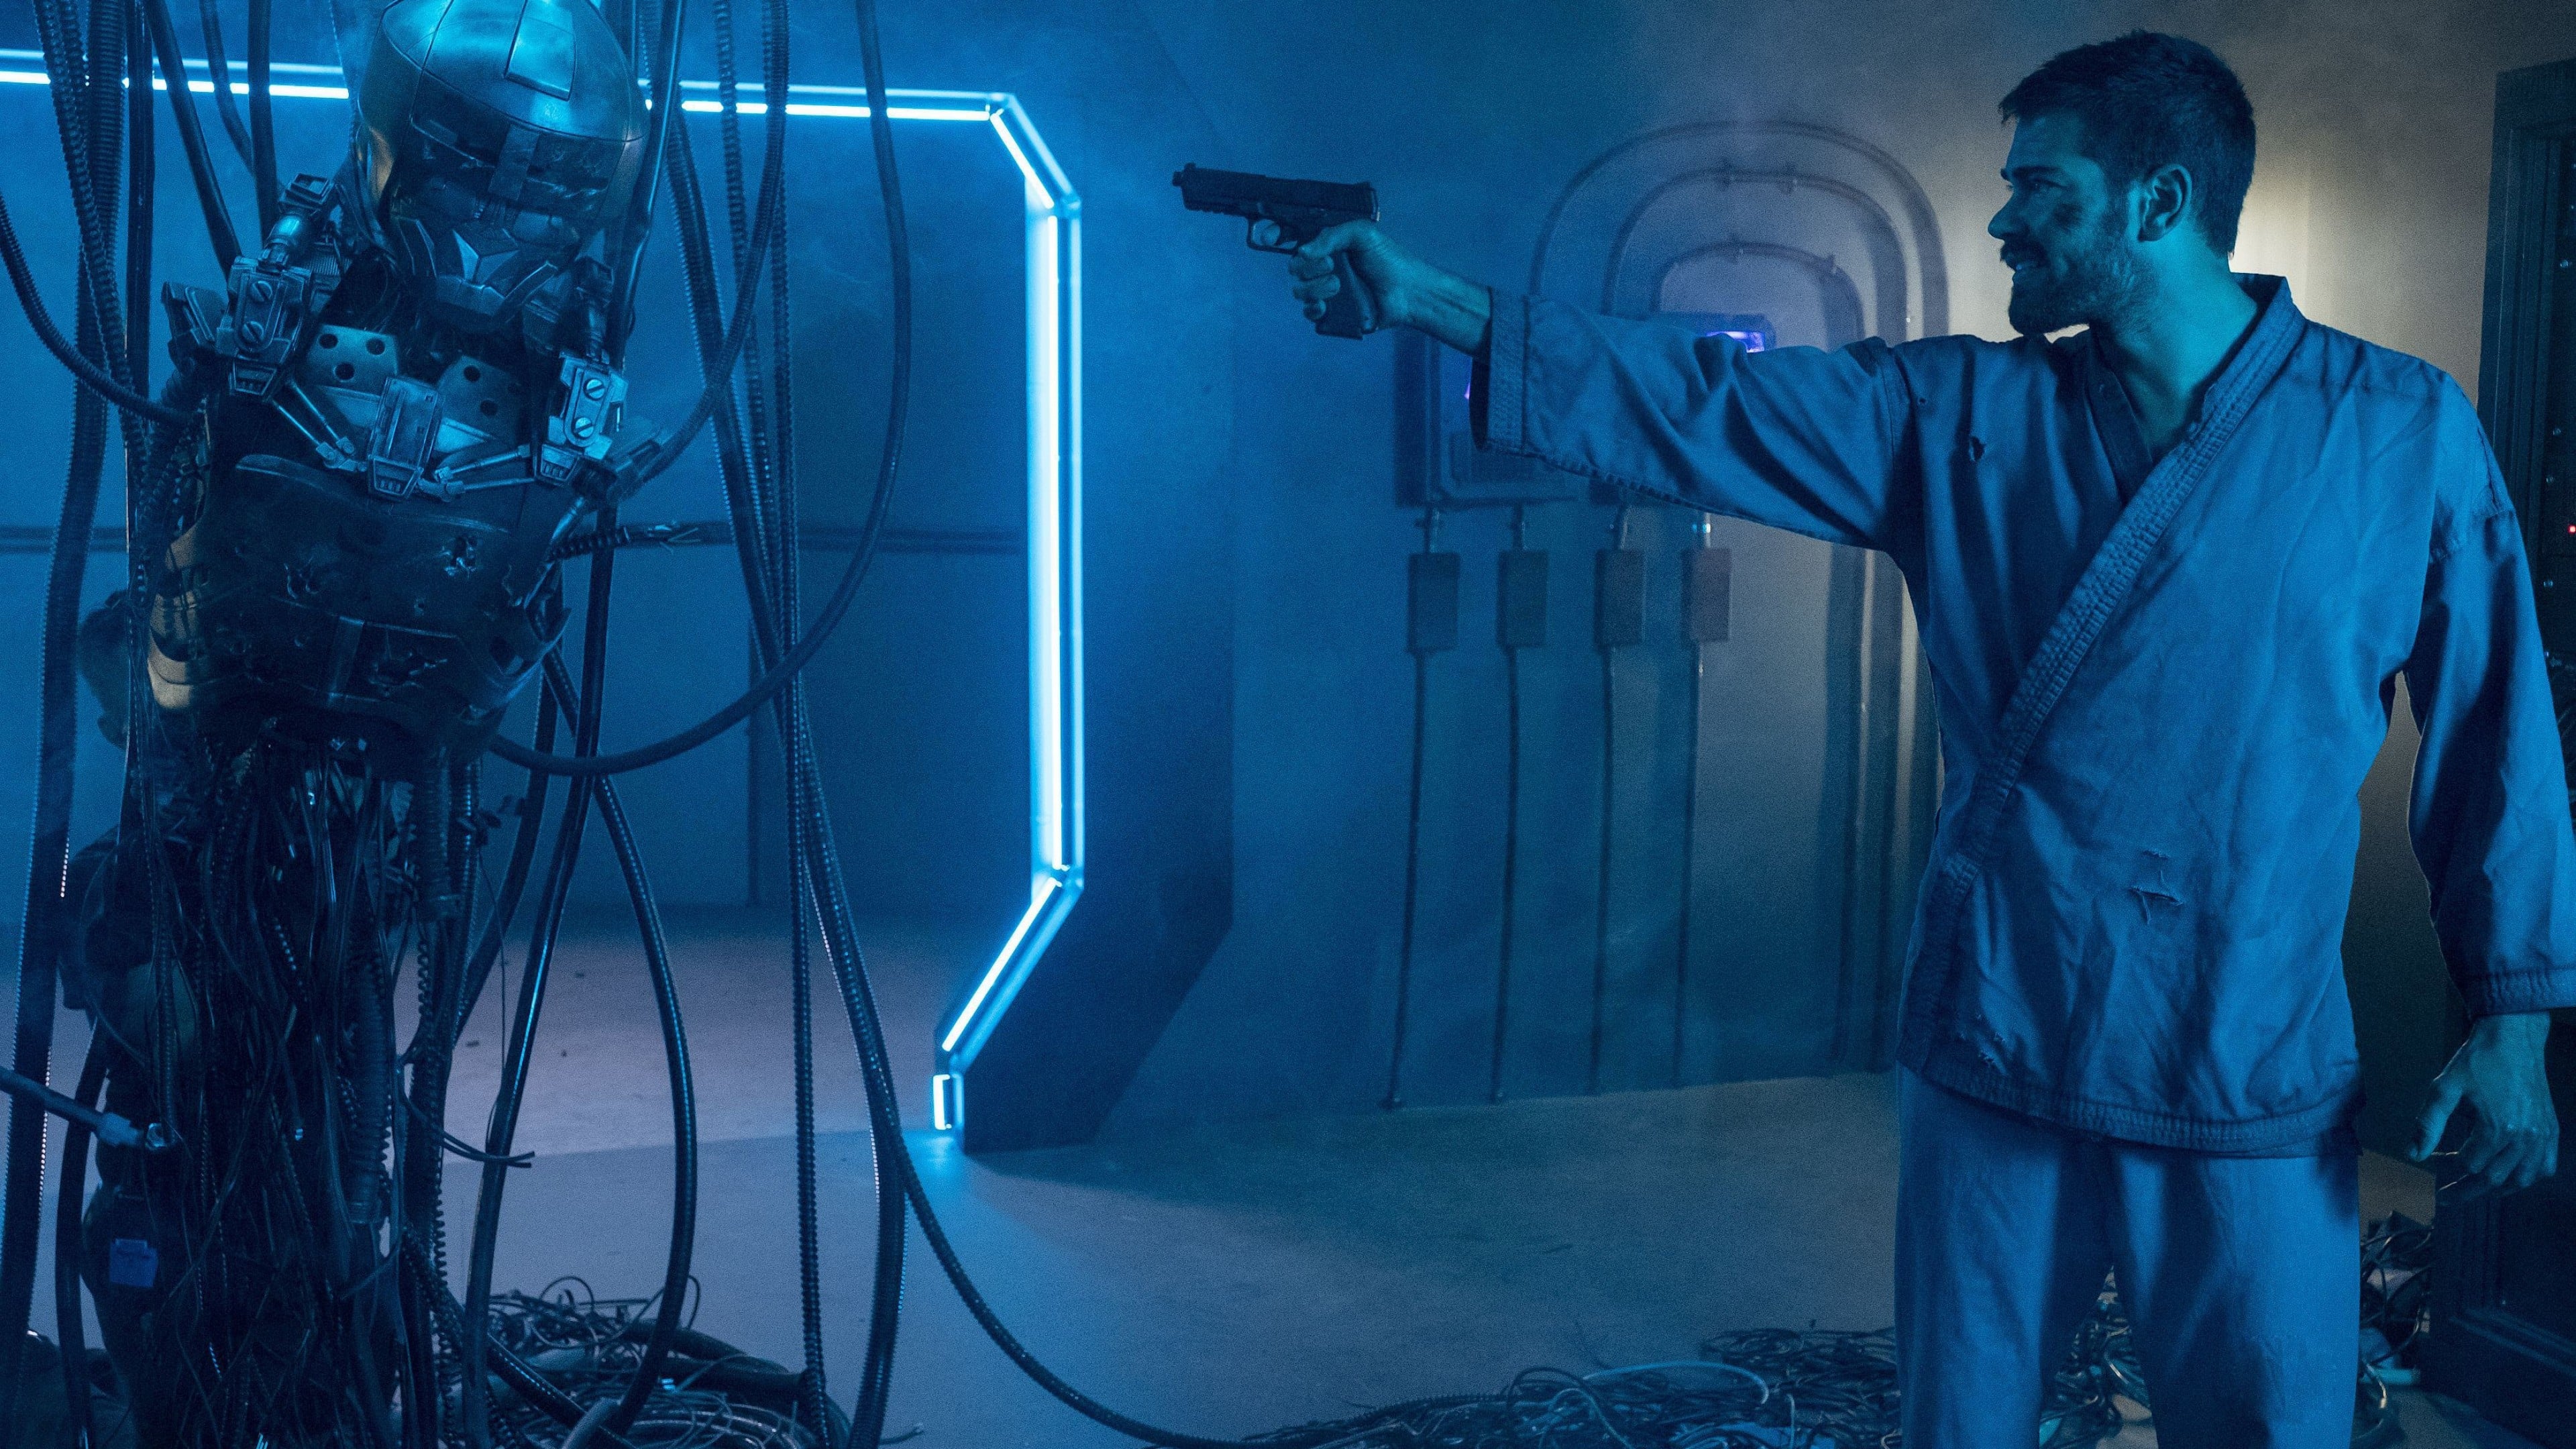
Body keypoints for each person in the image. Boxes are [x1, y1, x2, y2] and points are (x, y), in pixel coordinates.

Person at [1284, 30, 2569, 1448]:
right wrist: (1435, 302)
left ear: (2158, 202)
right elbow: (1711, 398)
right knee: (1963, 1425)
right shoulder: (1959, 414)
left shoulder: (2396, 431)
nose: (2005, 219)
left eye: (2042, 188)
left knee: (2272, 1422)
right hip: (2006, 1021)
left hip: (2240, 1045)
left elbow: (2496, 732)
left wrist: (2511, 1022)